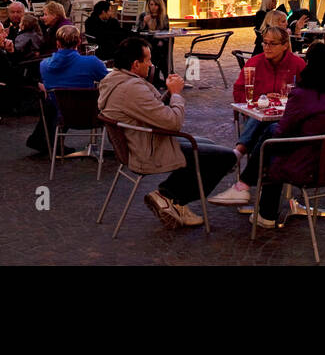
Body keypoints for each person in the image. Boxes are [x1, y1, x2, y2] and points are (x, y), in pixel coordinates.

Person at [97, 38, 238, 229]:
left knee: (209, 145)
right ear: (135, 64)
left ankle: (174, 199)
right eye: (148, 60)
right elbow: (173, 123)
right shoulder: (132, 88)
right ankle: (170, 196)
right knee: (225, 157)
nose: (151, 65)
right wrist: (177, 94)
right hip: (148, 149)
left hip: (142, 141)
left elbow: (149, 111)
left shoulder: (115, 80)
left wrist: (169, 94)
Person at [211, 42, 325, 220]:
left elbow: (283, 131)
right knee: (274, 136)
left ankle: (253, 198)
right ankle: (254, 201)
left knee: (273, 142)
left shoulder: (303, 95)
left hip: (307, 167)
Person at [230, 24, 307, 161]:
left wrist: (291, 97)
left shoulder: (297, 63)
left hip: (287, 116)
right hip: (259, 115)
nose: (267, 47)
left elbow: (308, 92)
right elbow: (238, 91)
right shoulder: (254, 63)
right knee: (262, 115)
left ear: (284, 45)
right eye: (265, 42)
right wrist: (260, 99)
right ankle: (241, 154)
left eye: (272, 43)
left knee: (272, 129)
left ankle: (239, 153)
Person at [0, 16, 49, 152]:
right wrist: (36, 84)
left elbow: (10, 72)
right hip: (10, 102)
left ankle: (40, 139)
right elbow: (13, 76)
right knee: (54, 102)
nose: (5, 35)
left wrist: (11, 52)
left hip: (1, 98)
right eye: (1, 32)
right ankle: (42, 140)